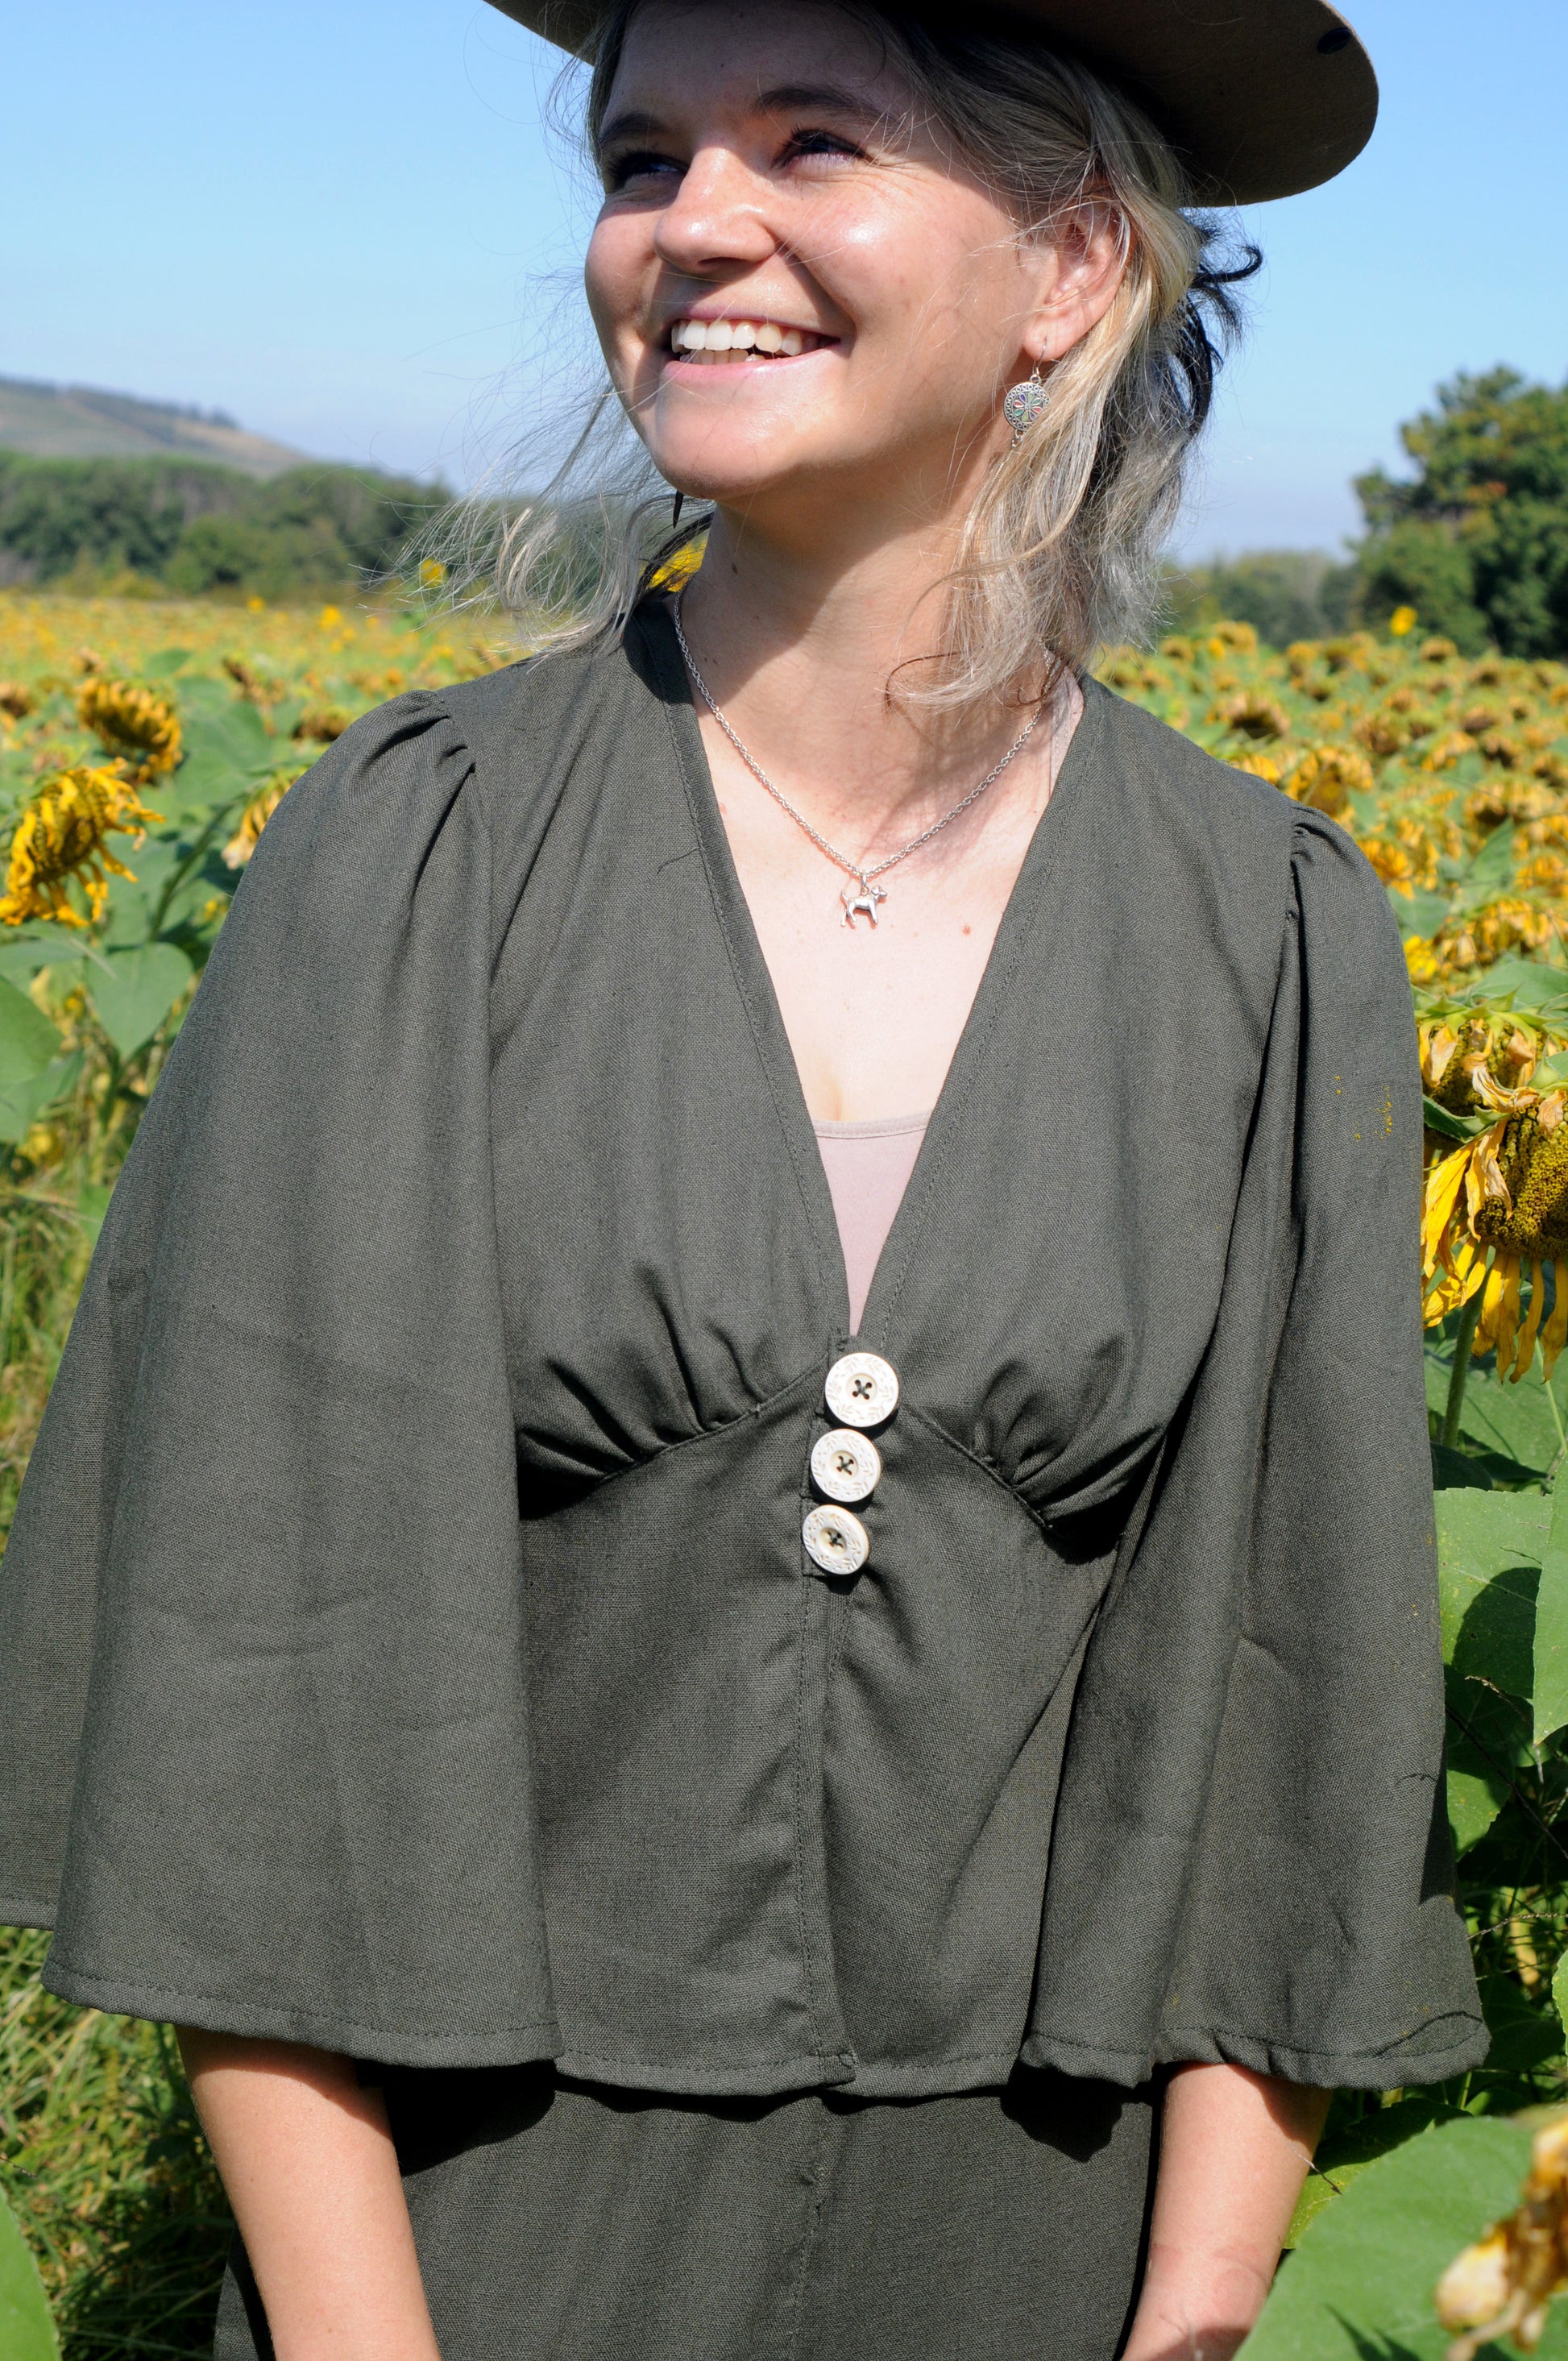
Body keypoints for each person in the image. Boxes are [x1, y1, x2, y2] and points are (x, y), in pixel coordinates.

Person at [0, 0, 1483, 2355]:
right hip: (475, 2248)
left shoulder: (1270, 929)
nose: (692, 222)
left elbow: (1284, 1691)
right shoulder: (414, 858)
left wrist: (1198, 2307)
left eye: (808, 142)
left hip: (1037, 2254)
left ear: (1072, 264)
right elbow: (247, 1692)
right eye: (641, 155)